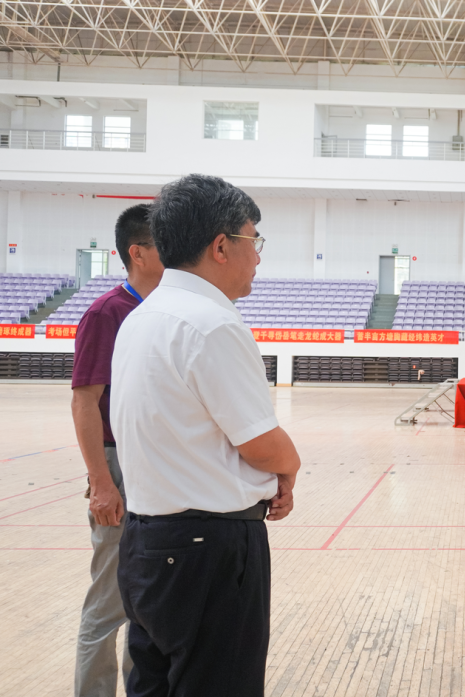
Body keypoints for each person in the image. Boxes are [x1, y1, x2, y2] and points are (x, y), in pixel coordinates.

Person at [111, 174, 301, 697]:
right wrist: (289, 468)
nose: (257, 257)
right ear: (221, 246)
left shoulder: (141, 317)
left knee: (152, 685)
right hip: (207, 551)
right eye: (253, 240)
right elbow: (260, 443)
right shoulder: (213, 324)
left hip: (145, 542)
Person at [70, 204, 165, 697]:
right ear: (137, 253)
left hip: (152, 466)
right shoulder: (106, 313)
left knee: (144, 603)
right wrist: (101, 482)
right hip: (115, 464)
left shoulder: (163, 310)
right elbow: (84, 401)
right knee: (108, 602)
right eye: (163, 243)